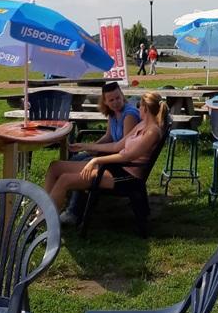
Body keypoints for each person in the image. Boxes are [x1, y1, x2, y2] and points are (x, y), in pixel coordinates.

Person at [44, 90, 166, 225]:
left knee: (65, 179)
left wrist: (96, 160)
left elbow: (127, 156)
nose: (138, 109)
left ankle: (48, 221)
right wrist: (87, 146)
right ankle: (41, 212)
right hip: (115, 167)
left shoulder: (152, 132)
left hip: (126, 176)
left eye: (140, 106)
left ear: (145, 108)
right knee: (55, 167)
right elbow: (117, 146)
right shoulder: (142, 125)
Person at [57, 81, 140, 225]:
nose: (115, 102)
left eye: (118, 98)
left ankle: (74, 212)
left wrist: (93, 148)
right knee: (75, 160)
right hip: (111, 153)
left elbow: (124, 147)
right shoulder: (113, 113)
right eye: (111, 100)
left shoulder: (129, 115)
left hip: (121, 161)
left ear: (122, 96)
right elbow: (109, 136)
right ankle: (68, 198)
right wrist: (94, 147)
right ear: (105, 102)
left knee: (84, 165)